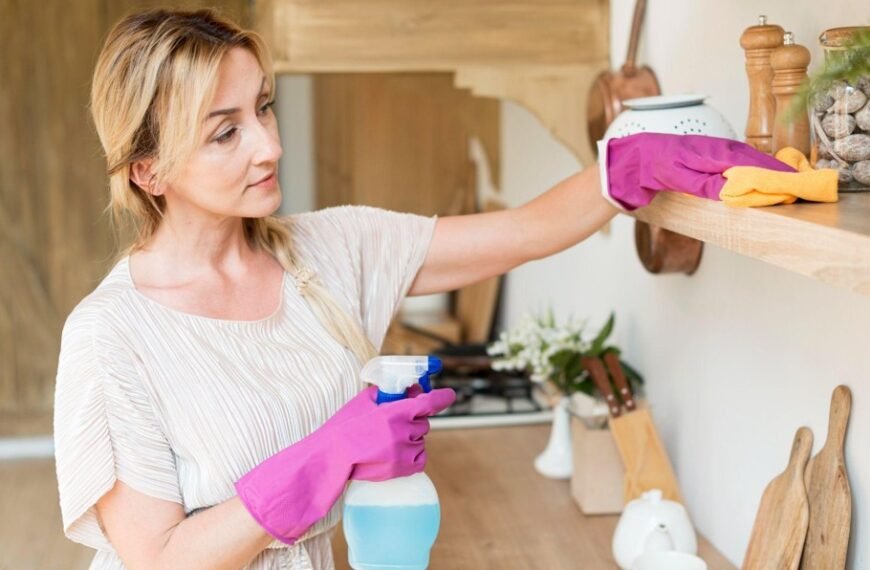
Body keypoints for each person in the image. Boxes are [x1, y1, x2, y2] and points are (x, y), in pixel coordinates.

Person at [53, 8, 788, 570]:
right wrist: (325, 456)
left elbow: (524, 232)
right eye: (226, 132)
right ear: (148, 171)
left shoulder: (332, 250)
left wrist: (631, 163)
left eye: (264, 107)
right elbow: (160, 559)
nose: (269, 145)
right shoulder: (111, 335)